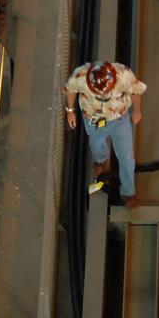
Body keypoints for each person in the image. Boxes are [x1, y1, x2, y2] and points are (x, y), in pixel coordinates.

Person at [63, 61, 146, 209]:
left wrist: (137, 111)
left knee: (126, 157)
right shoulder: (80, 75)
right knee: (96, 142)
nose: (101, 95)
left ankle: (128, 193)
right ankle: (100, 160)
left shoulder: (124, 75)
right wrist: (70, 111)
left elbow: (135, 91)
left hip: (119, 120)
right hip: (92, 119)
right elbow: (70, 89)